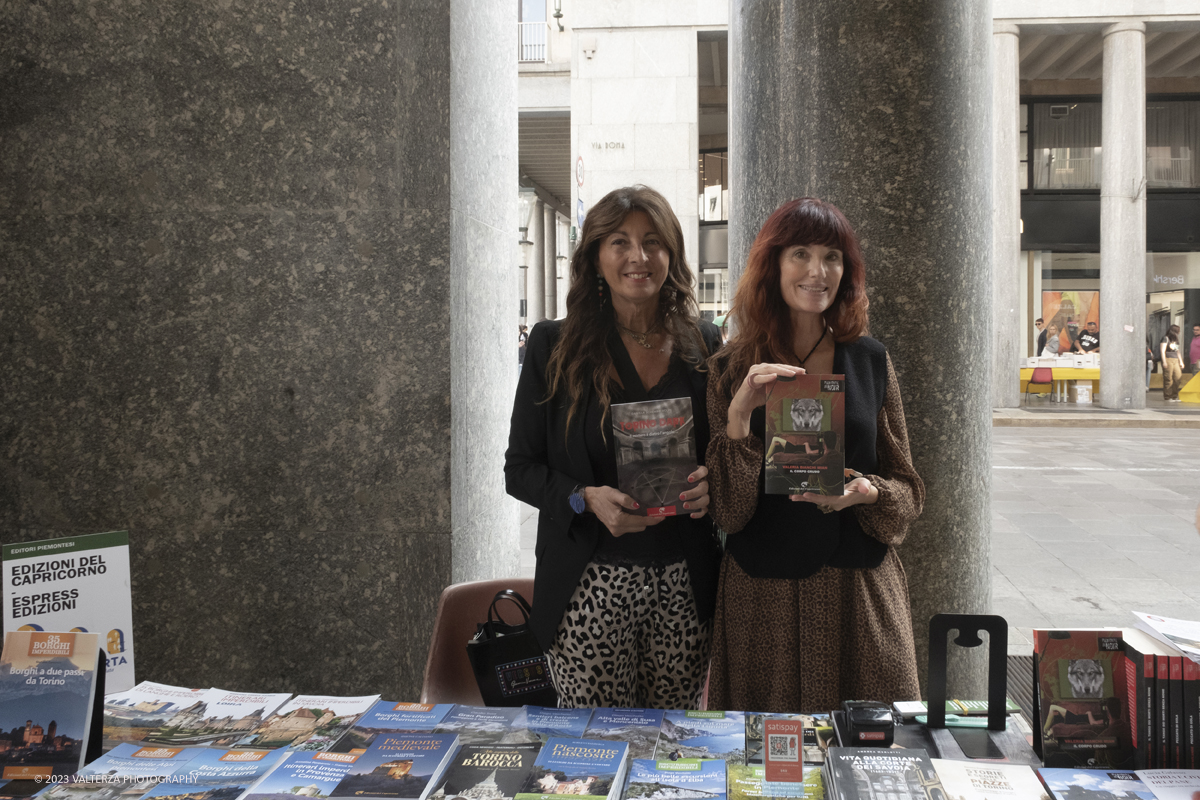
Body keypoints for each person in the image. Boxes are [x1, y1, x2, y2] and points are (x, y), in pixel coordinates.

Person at [504, 185, 723, 709]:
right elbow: (520, 469)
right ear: (596, 256)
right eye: (620, 242)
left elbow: (720, 454)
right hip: (589, 582)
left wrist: (712, 488)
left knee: (674, 746)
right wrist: (585, 497)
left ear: (671, 255)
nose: (638, 257)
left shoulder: (705, 343)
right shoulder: (553, 346)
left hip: (684, 586)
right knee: (594, 749)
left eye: (652, 242)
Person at [705, 197, 925, 713]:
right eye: (800, 253)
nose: (817, 271)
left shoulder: (870, 361)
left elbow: (909, 490)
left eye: (832, 257)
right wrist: (739, 420)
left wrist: (869, 493)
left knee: (873, 761)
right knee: (765, 764)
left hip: (859, 594)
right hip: (764, 602)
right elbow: (728, 512)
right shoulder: (730, 367)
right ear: (773, 265)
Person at [1161, 324, 1184, 402]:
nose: (1179, 332)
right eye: (1178, 331)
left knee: (1178, 377)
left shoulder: (1175, 340)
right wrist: (1164, 361)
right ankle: (1168, 396)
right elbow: (1162, 351)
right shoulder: (1165, 338)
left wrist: (1181, 361)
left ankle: (1174, 396)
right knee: (1168, 378)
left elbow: (1177, 351)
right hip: (1168, 359)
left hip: (1175, 360)